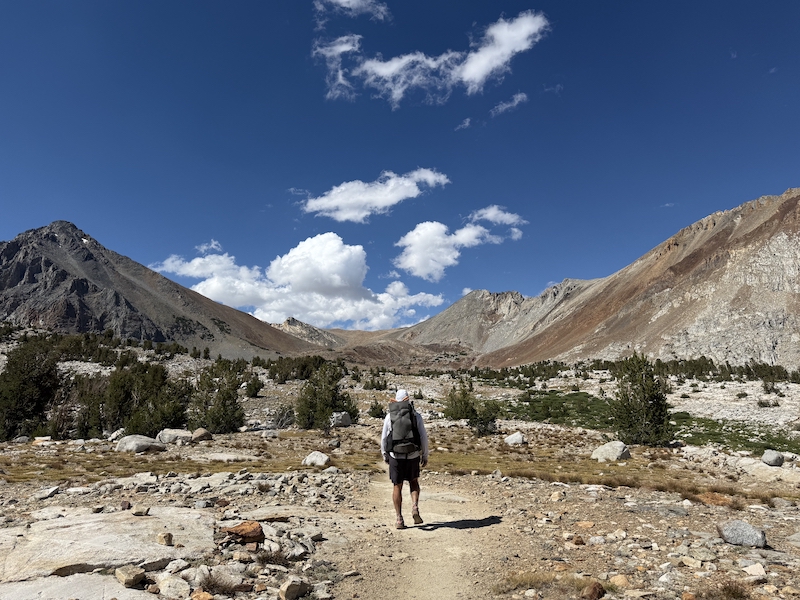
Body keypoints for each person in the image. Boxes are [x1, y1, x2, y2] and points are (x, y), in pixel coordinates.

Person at [381, 388, 429, 529]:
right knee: (414, 482)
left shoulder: (390, 416)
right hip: (413, 454)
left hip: (396, 455)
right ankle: (414, 506)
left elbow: (384, 437)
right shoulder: (416, 415)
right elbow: (423, 437)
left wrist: (385, 454)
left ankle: (399, 519)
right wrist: (424, 455)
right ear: (408, 399)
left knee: (397, 486)